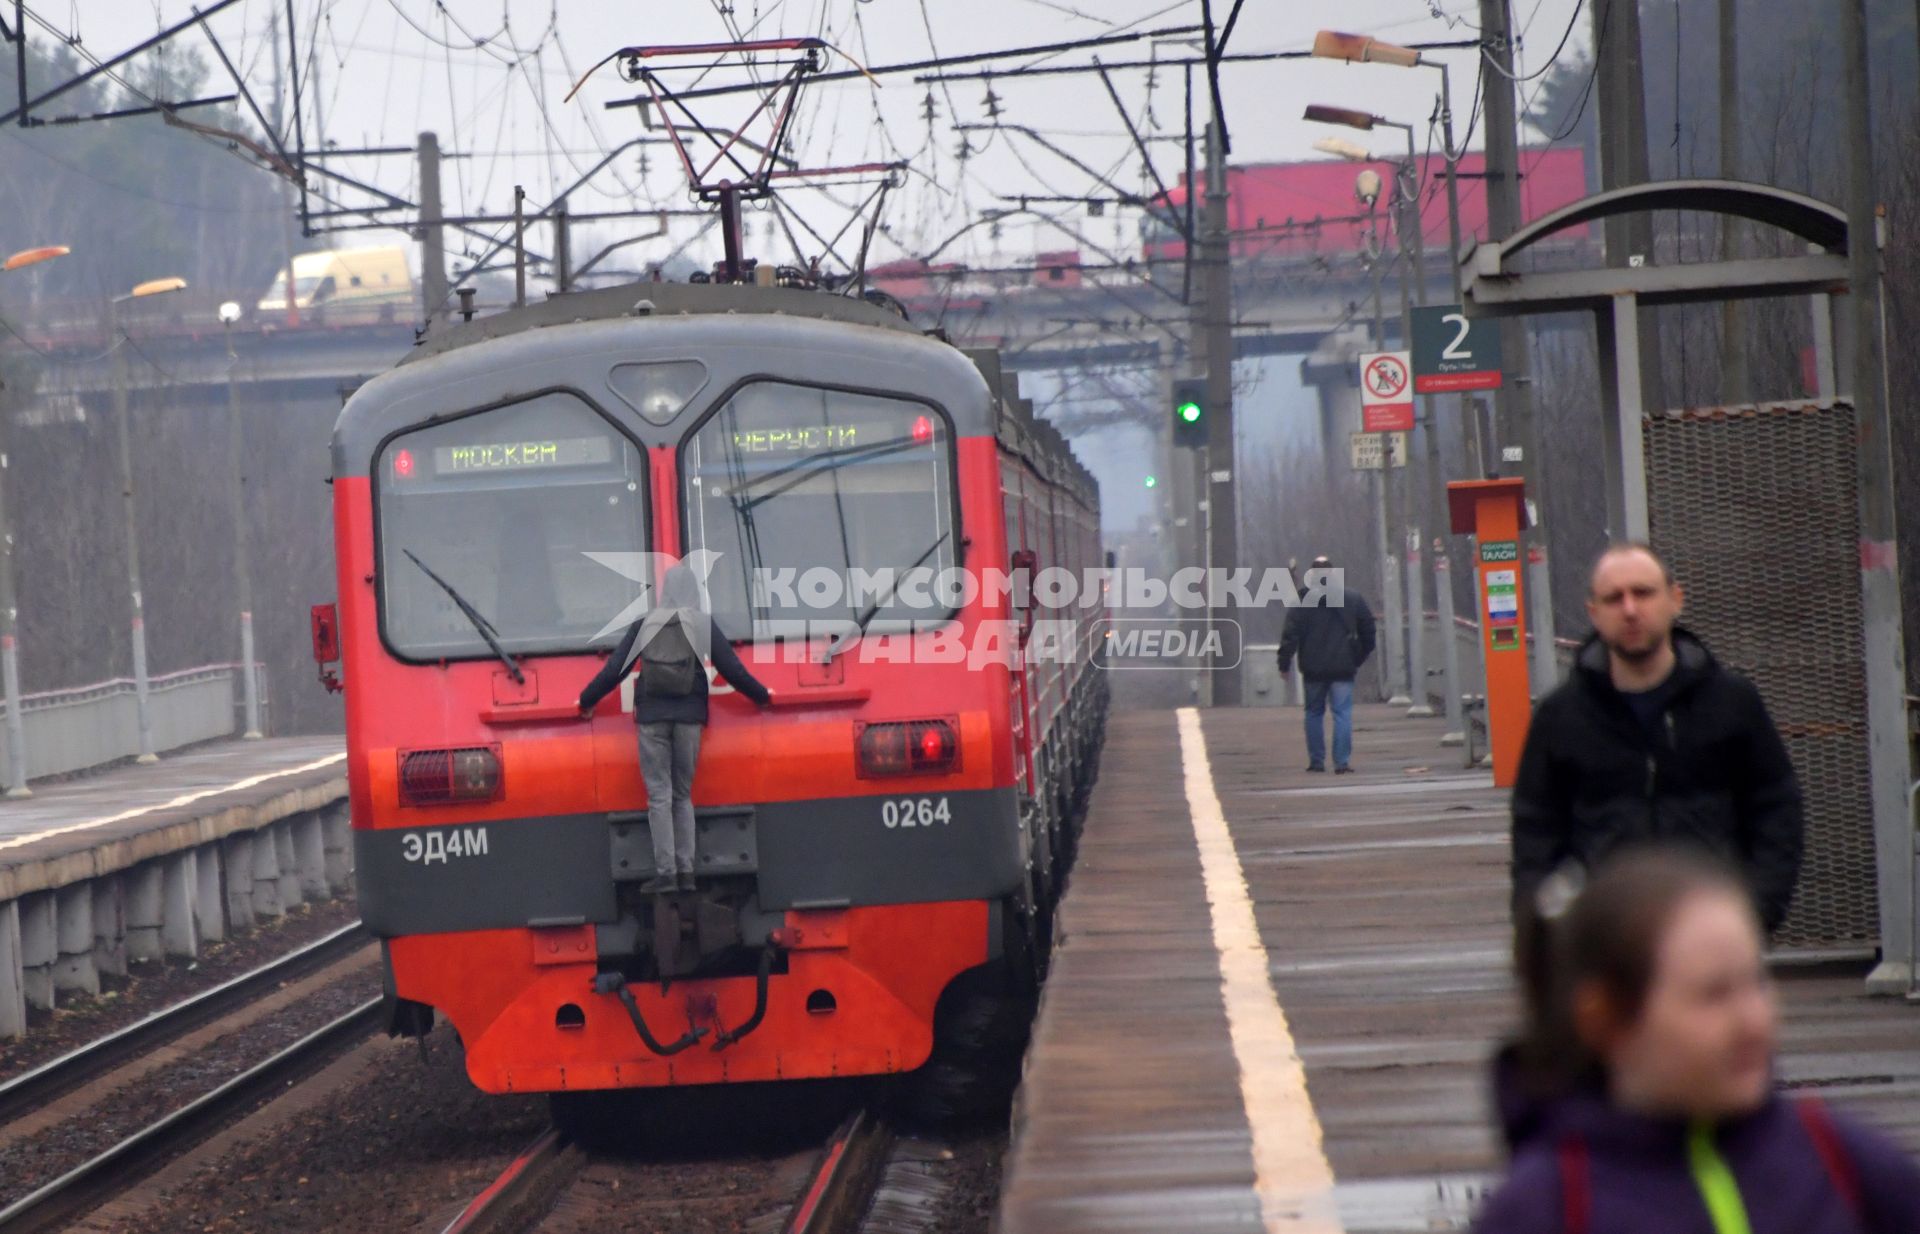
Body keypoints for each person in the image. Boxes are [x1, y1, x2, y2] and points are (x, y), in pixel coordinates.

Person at [1473, 846, 1920, 1233]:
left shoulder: (1840, 1161)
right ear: (1604, 1018)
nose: (1752, 1019)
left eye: (1756, 982)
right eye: (1714, 994)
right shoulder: (1550, 1209)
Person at [1510, 542, 1803, 934]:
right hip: (1602, 940)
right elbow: (1535, 830)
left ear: (1675, 599)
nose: (1630, 610)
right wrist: (1542, 935)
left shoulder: (1730, 702)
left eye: (1643, 593)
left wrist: (1757, 909)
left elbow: (1776, 804)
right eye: (1614, 598)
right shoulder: (1562, 716)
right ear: (1594, 614)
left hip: (1708, 931)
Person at [579, 560, 771, 893]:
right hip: (689, 717)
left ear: (665, 591)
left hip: (653, 718)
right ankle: (687, 872)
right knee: (683, 795)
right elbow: (733, 670)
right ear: (694, 591)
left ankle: (665, 873)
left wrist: (586, 700)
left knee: (659, 796)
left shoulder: (646, 625)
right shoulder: (700, 624)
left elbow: (614, 670)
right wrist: (762, 696)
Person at [1276, 554, 1376, 773]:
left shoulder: (1302, 601)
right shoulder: (1352, 599)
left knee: (1313, 713)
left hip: (1313, 668)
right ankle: (1341, 762)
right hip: (1343, 667)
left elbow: (1290, 635)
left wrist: (1284, 664)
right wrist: (1357, 657)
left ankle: (1316, 761)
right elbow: (1369, 632)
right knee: (1342, 713)